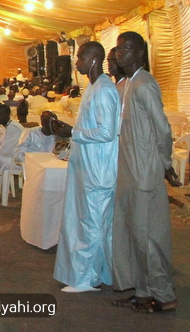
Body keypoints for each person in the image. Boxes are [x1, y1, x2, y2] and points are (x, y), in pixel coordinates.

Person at [111, 31, 178, 313]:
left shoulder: (145, 85)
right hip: (126, 172)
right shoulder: (124, 84)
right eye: (118, 48)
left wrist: (165, 163)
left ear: (140, 53)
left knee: (148, 237)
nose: (120, 53)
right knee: (130, 236)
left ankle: (163, 297)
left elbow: (163, 129)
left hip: (144, 174)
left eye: (127, 48)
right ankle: (141, 291)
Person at [53, 42, 120, 293]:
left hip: (98, 170)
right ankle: (95, 273)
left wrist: (74, 132)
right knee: (87, 221)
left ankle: (86, 279)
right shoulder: (92, 87)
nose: (76, 62)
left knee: (92, 224)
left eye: (80, 57)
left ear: (93, 59)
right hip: (87, 165)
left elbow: (106, 131)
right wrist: (70, 133)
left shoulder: (104, 89)